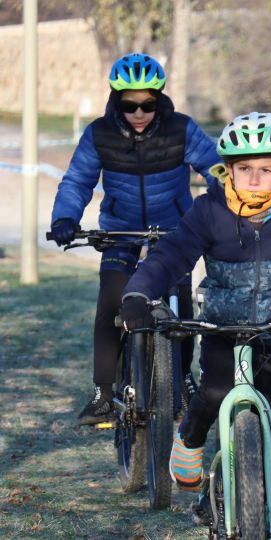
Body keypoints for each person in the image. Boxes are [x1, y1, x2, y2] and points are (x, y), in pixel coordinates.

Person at [118, 111, 271, 539]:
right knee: (214, 391)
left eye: (267, 170)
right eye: (245, 169)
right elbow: (170, 257)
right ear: (228, 170)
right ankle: (192, 437)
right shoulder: (209, 209)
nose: (255, 179)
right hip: (223, 330)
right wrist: (138, 295)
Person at [48, 52, 221, 426]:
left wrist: (226, 200)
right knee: (112, 301)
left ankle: (184, 377)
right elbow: (78, 181)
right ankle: (103, 394)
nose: (139, 113)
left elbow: (214, 167)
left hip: (174, 232)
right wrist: (65, 218)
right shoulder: (99, 134)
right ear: (115, 101)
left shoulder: (182, 129)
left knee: (181, 308)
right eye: (130, 105)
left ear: (159, 100)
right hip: (119, 231)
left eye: (147, 103)